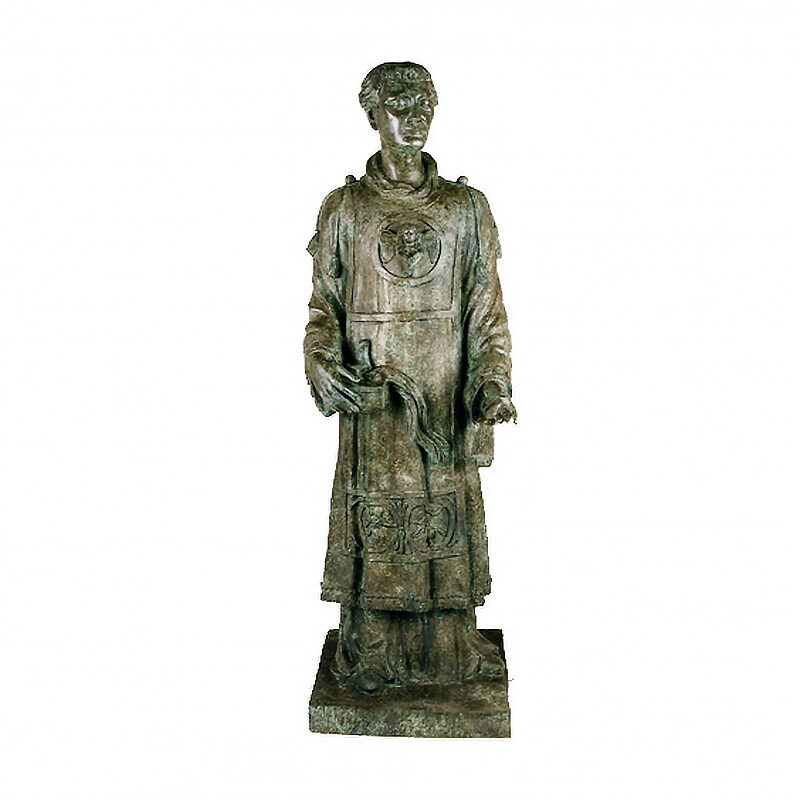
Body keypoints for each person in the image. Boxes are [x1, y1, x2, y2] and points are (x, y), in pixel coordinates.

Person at [304, 62, 516, 695]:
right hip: (375, 408)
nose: (414, 117)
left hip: (445, 405)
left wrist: (492, 381)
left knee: (442, 525)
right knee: (379, 528)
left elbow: (486, 310)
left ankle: (447, 649)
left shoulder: (465, 209)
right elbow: (324, 310)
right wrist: (320, 361)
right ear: (372, 114)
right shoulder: (345, 209)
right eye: (399, 104)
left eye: (424, 103)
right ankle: (372, 653)